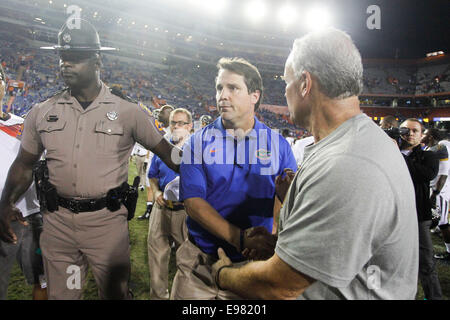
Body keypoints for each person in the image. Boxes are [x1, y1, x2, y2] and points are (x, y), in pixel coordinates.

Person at [212, 28, 418, 300]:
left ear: (305, 84)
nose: (285, 92)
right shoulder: (352, 144)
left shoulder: (348, 164)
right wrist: (282, 246)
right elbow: (338, 248)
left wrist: (222, 274)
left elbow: (280, 285)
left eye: (286, 81)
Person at [0, 19, 180, 300]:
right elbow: (24, 163)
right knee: (64, 296)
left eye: (75, 58)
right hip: (57, 224)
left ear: (97, 61)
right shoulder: (42, 111)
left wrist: (207, 165)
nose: (65, 64)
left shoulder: (128, 111)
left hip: (106, 225)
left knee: (115, 295)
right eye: (62, 57)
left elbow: (170, 154)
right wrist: (5, 202)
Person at [171, 57, 297, 300]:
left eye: (233, 88)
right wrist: (239, 238)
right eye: (220, 88)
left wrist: (271, 222)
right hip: (200, 264)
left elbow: (283, 191)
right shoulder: (198, 142)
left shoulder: (278, 145)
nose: (222, 95)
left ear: (254, 96)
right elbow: (193, 203)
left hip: (251, 267)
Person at [0, 64, 47, 300]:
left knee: (44, 279)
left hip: (32, 215)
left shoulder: (24, 124)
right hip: (1, 220)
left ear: (4, 85)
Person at [147, 108, 192, 300]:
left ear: (190, 126)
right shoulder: (162, 146)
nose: (176, 126)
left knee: (188, 262)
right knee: (157, 258)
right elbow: (152, 176)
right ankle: (158, 297)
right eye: (173, 122)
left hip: (186, 211)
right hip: (161, 208)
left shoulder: (198, 148)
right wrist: (156, 191)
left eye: (181, 123)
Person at [399, 119, 442, 299]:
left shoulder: (429, 155)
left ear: (421, 134)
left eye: (415, 131)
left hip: (418, 215)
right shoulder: (387, 152)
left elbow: (425, 174)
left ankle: (434, 296)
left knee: (426, 262)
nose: (410, 134)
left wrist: (396, 154)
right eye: (406, 130)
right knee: (393, 261)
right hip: (393, 215)